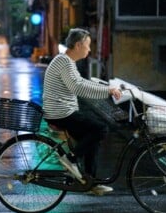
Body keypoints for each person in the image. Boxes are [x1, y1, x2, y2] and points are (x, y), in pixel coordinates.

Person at [42, 28, 122, 196]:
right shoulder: (64, 62)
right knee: (100, 129)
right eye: (88, 45)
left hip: (63, 110)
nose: (89, 49)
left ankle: (90, 182)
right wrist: (107, 91)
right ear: (78, 45)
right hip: (61, 112)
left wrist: (106, 88)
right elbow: (78, 87)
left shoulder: (66, 61)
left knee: (92, 139)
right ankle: (70, 159)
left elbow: (81, 82)